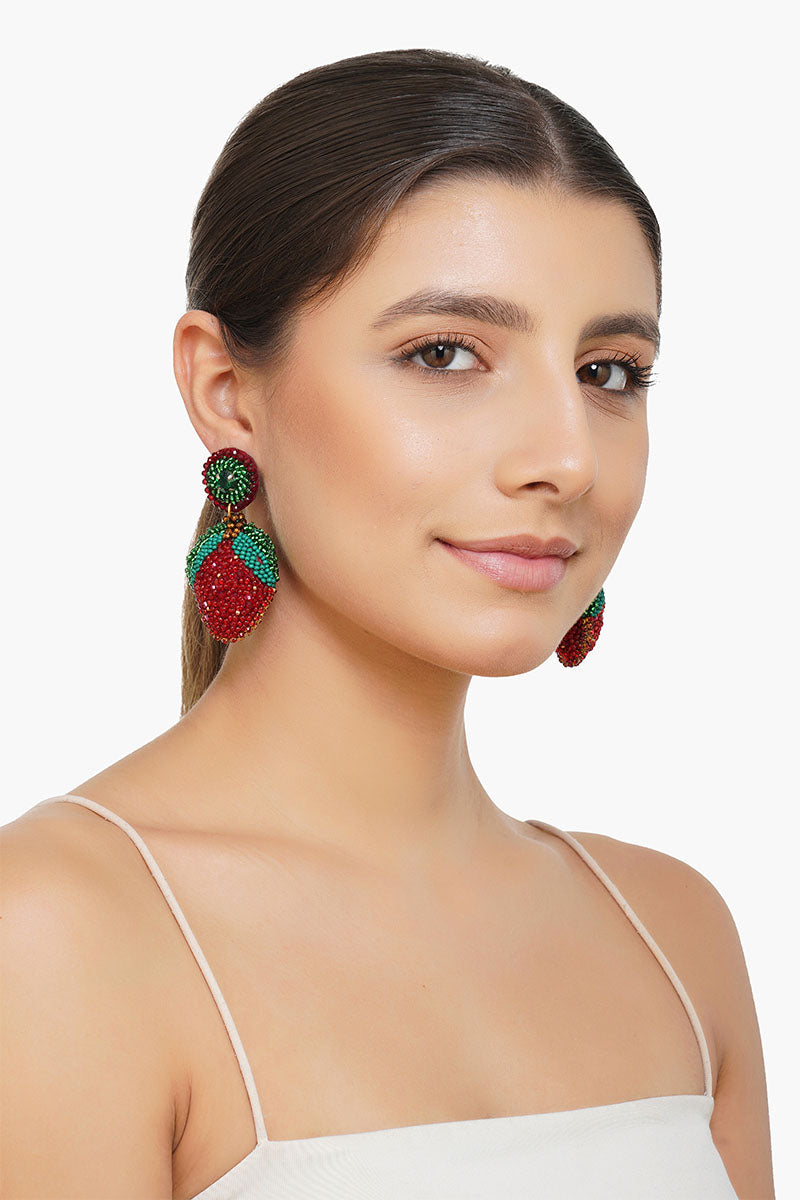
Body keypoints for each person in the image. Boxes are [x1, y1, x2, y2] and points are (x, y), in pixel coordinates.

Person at [0, 47, 773, 1199]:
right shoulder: (55, 935)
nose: (565, 457)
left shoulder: (673, 932)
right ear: (225, 390)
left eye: (608, 371)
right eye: (444, 354)